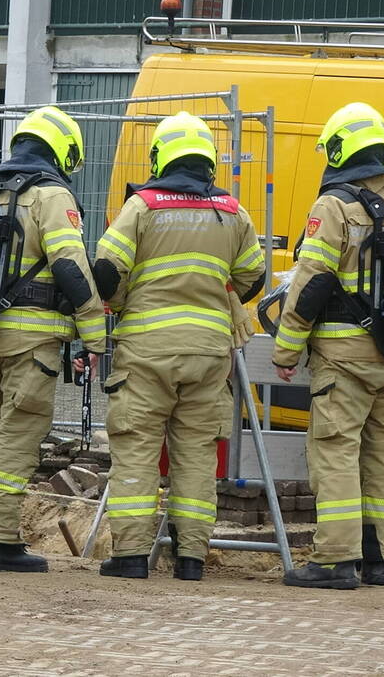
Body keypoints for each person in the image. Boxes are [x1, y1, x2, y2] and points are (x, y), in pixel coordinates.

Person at [92, 111, 265, 581]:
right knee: (196, 454)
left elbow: (106, 272)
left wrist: (122, 299)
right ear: (208, 159)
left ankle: (130, 556)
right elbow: (254, 277)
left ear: (160, 156)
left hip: (147, 350)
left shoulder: (143, 207)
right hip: (210, 353)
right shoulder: (232, 211)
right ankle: (191, 559)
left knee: (137, 449)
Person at [273, 102, 384, 589]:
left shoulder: (334, 205)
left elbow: (312, 282)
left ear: (339, 149)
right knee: (382, 458)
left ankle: (336, 560)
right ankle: (378, 560)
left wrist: (287, 349)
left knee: (335, 453)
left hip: (343, 355)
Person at [0, 106, 107, 573]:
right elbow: (70, 266)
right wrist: (94, 335)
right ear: (61, 149)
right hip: (34, 344)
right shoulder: (50, 196)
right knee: (17, 443)